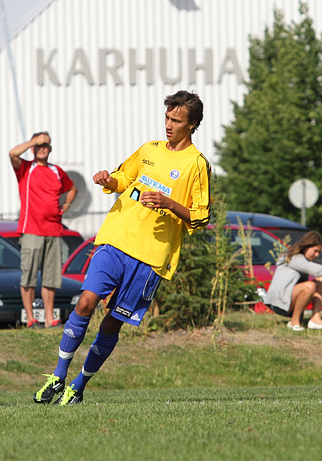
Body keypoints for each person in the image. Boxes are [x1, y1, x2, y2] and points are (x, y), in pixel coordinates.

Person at [33, 90, 211, 405]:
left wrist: (168, 203)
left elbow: (201, 217)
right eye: (167, 118)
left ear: (193, 125)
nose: (169, 125)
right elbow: (123, 178)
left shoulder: (196, 164)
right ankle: (58, 376)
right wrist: (108, 181)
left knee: (113, 321)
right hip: (116, 240)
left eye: (177, 121)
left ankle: (79, 384)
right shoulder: (149, 149)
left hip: (150, 257)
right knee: (86, 302)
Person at [9, 132, 77, 328]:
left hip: (54, 231)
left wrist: (66, 206)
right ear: (32, 148)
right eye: (39, 145)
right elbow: (12, 153)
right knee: (29, 275)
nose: (42, 147)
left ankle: (49, 318)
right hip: (31, 230)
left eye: (46, 144)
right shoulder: (25, 168)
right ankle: (30, 319)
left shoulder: (56, 171)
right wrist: (34, 141)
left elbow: (72, 189)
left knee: (50, 278)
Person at [264, 231, 322, 331]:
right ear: (306, 246)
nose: (317, 255)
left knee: (319, 281)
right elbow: (318, 270)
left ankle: (315, 319)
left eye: (319, 252)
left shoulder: (302, 260)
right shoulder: (295, 259)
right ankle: (294, 322)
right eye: (315, 251)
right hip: (280, 303)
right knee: (309, 286)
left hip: (288, 300)